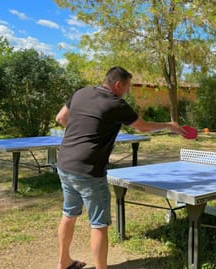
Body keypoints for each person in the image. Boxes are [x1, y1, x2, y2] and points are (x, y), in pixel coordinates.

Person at [54, 66, 186, 269]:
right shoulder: (116, 104)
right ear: (118, 84)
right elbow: (142, 127)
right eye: (127, 87)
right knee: (98, 224)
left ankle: (63, 262)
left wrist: (81, 132)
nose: (128, 91)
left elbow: (61, 118)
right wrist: (169, 125)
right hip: (88, 170)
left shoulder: (81, 92)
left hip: (64, 163)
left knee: (69, 213)